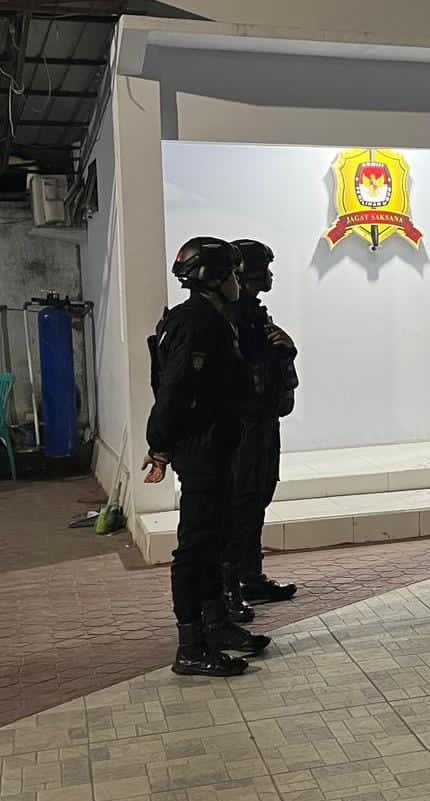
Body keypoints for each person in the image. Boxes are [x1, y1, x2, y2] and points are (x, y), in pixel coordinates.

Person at [143, 237, 270, 677]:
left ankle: (216, 625)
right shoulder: (196, 323)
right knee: (195, 546)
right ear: (213, 279)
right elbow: (174, 391)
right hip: (200, 450)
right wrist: (159, 445)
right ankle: (190, 645)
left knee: (215, 538)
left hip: (218, 446)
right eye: (231, 273)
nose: (237, 280)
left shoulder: (214, 318)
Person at [222, 239, 299, 614]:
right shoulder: (232, 318)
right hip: (245, 426)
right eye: (264, 269)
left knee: (256, 500)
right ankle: (233, 584)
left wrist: (287, 350)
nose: (269, 275)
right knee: (242, 503)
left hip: (263, 421)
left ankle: (249, 576)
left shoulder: (252, 314)